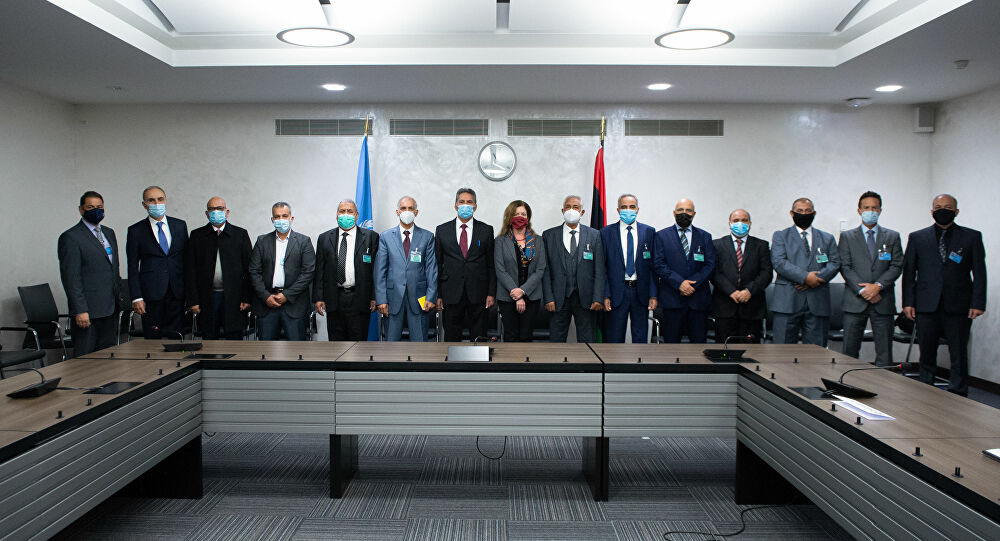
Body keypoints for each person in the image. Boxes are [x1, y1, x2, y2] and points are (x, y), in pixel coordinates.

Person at [903, 194, 986, 396]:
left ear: (956, 211)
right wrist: (908, 302)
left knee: (958, 352)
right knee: (926, 352)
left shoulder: (971, 237)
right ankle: (925, 389)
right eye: (938, 207)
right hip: (926, 305)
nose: (943, 210)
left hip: (959, 305)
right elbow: (909, 272)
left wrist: (978, 303)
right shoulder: (917, 237)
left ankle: (958, 392)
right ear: (932, 211)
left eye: (948, 207)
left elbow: (979, 272)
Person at [838, 191, 903, 366]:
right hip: (855, 301)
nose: (871, 211)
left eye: (874, 208)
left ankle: (885, 382)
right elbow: (845, 267)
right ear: (859, 210)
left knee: (885, 353)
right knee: (849, 352)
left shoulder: (892, 236)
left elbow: (897, 265)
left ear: (880, 210)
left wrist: (878, 286)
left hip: (883, 299)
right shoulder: (847, 236)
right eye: (866, 208)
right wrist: (864, 290)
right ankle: (849, 381)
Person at [57, 191, 123, 356]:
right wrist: (80, 310)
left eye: (99, 207)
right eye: (90, 207)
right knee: (86, 358)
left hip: (110, 307)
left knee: (108, 355)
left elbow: (112, 269)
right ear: (81, 209)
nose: (96, 210)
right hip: (88, 311)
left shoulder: (109, 233)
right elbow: (71, 278)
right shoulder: (71, 237)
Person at [770, 197, 840, 346]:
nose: (803, 214)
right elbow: (779, 262)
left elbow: (834, 263)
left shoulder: (827, 238)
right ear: (792, 213)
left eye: (808, 211)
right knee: (782, 352)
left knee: (816, 353)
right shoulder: (780, 236)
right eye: (800, 211)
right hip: (787, 301)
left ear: (814, 214)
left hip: (817, 300)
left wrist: (815, 280)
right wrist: (805, 278)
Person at [185, 197, 252, 340]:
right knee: (209, 338)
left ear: (227, 212)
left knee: (234, 338)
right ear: (206, 213)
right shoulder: (197, 236)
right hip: (207, 297)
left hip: (234, 298)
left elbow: (249, 270)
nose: (216, 212)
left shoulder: (240, 234)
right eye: (212, 209)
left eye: (220, 208)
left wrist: (247, 298)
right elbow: (190, 270)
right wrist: (193, 300)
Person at [126, 186, 187, 339]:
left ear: (165, 200)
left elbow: (186, 260)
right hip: (151, 295)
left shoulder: (180, 225)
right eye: (151, 200)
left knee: (177, 339)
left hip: (177, 293)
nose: (157, 203)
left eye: (160, 199)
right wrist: (136, 297)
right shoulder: (135, 230)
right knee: (153, 340)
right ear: (144, 204)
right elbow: (132, 266)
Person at [435, 188, 496, 341]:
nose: (465, 205)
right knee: (451, 337)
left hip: (479, 293)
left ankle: (479, 359)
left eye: (469, 202)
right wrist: (438, 294)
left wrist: (491, 293)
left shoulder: (486, 230)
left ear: (475, 206)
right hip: (451, 293)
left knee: (479, 338)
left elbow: (491, 265)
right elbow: (437, 264)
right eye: (461, 202)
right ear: (455, 205)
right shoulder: (442, 230)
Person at [542, 195, 605, 343]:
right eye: (568, 207)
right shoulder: (549, 235)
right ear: (563, 211)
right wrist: (548, 298)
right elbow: (545, 270)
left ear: (582, 212)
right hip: (558, 298)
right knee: (556, 341)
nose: (571, 210)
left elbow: (599, 270)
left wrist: (597, 297)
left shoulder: (594, 235)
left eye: (575, 207)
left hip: (586, 299)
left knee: (587, 341)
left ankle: (585, 361)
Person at [248, 202, 315, 341]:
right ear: (272, 220)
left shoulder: (304, 241)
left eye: (284, 216)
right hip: (267, 304)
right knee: (266, 350)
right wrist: (266, 296)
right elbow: (254, 271)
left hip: (294, 305)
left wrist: (286, 295)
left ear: (291, 218)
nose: (281, 220)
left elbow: (308, 273)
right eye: (277, 216)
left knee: (297, 350)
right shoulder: (262, 241)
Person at [314, 199, 379, 341]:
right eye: (342, 211)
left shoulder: (371, 237)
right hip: (334, 298)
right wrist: (318, 297)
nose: (346, 214)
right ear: (336, 215)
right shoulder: (324, 238)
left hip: (360, 298)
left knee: (358, 343)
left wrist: (374, 296)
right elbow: (319, 271)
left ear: (356, 215)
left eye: (350, 211)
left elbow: (375, 271)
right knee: (336, 343)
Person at [374, 196, 437, 341]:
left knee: (419, 341)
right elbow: (380, 271)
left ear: (416, 212)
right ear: (397, 212)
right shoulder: (386, 237)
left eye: (410, 208)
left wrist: (431, 296)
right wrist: (381, 299)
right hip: (392, 296)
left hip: (420, 296)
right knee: (391, 342)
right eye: (403, 208)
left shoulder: (427, 236)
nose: (407, 211)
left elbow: (431, 269)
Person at [653, 198, 715, 343]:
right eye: (680, 210)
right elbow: (659, 264)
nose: (684, 213)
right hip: (672, 300)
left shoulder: (705, 236)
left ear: (694, 214)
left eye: (688, 210)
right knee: (671, 346)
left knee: (698, 347)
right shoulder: (661, 236)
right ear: (674, 213)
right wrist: (679, 283)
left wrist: (693, 283)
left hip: (698, 301)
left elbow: (710, 265)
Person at [600, 194, 657, 343]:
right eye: (624, 207)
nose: (628, 210)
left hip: (641, 292)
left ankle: (640, 360)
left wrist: (653, 295)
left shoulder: (649, 232)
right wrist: (606, 295)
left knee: (640, 339)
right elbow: (602, 268)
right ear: (618, 210)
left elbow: (653, 267)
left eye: (632, 207)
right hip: (617, 293)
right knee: (614, 338)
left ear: (637, 209)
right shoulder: (606, 233)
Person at [710, 209, 772, 344]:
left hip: (752, 307)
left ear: (750, 224)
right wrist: (731, 291)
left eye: (744, 220)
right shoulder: (716, 245)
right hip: (724, 306)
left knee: (751, 351)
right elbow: (714, 272)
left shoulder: (761, 245)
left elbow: (766, 273)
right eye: (736, 220)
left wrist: (749, 291)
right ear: (729, 224)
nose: (740, 223)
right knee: (724, 351)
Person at [495, 200, 547, 342]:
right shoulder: (500, 241)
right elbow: (500, 269)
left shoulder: (538, 241)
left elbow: (540, 269)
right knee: (510, 336)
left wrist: (523, 291)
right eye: (516, 214)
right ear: (509, 216)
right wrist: (516, 294)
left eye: (523, 214)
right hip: (507, 296)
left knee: (526, 336)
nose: (520, 217)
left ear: (528, 218)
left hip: (531, 296)